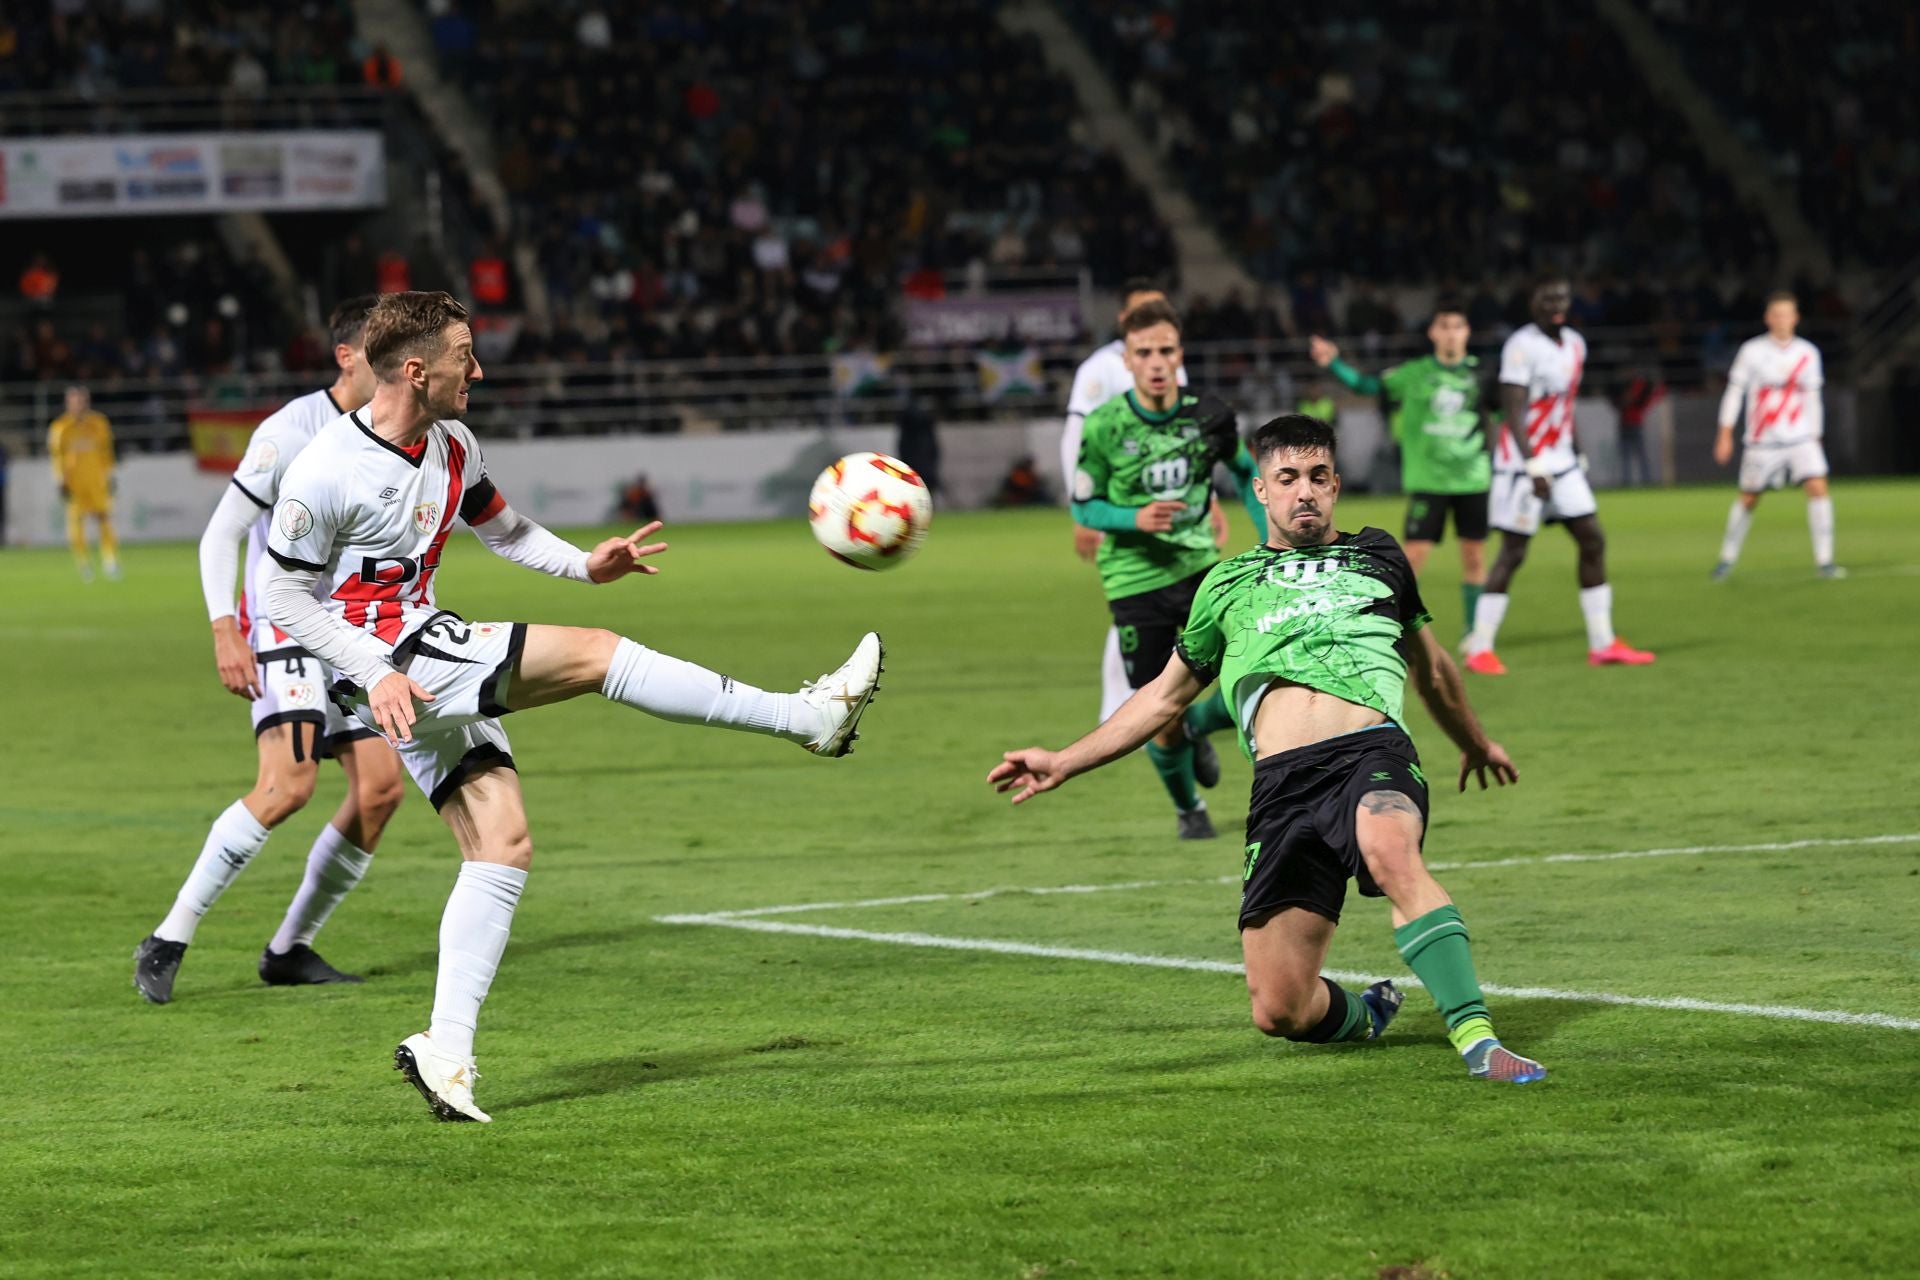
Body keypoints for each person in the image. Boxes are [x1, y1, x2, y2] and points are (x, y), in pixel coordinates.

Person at [258, 292, 882, 1122]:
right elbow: (281, 597)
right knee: (595, 655)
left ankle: (446, 1051)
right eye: (463, 357)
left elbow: (506, 532)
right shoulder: (325, 469)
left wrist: (587, 564)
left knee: (502, 844)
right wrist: (375, 671)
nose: (477, 370)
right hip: (381, 664)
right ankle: (805, 719)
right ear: (416, 370)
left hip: (421, 651)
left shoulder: (454, 445)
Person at [992, 414, 1545, 1084]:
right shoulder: (1225, 585)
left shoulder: (1379, 555)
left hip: (1369, 751)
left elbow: (1431, 672)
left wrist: (1476, 742)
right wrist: (1063, 759)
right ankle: (1367, 1015)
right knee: (1280, 1008)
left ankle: (1478, 1039)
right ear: (1262, 490)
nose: (1304, 491)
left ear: (1336, 484)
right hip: (1280, 785)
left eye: (1317, 477)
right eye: (1288, 478)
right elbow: (1163, 699)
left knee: (1388, 846)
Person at [131, 297, 407, 1004]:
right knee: (288, 785)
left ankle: (289, 949)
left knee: (378, 790)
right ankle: (170, 935)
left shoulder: (395, 431)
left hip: (350, 630)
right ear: (347, 357)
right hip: (285, 624)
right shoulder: (290, 432)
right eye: (382, 352)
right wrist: (227, 627)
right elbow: (222, 533)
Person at [1071, 300, 1239, 840]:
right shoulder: (1102, 427)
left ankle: (1199, 721)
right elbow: (1084, 507)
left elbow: (1244, 469)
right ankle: (1188, 806)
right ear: (1127, 360)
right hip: (1134, 581)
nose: (1157, 362)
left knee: (1251, 674)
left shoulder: (1209, 413)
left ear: (1179, 354)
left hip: (1199, 570)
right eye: (1145, 353)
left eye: (1166, 350)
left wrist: (1273, 536)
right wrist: (1133, 517)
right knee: (1154, 716)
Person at [1463, 277, 1654, 673]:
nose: (1555, 303)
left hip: (1562, 460)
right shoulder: (1522, 344)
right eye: (1546, 296)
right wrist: (1531, 463)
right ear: (1532, 302)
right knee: (1513, 552)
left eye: (1562, 297)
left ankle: (1602, 642)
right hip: (1522, 465)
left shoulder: (1576, 345)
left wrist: (1577, 450)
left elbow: (1563, 407)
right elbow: (1513, 410)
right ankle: (1480, 647)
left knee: (1592, 539)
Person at [1311, 297, 1494, 633]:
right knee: (1412, 560)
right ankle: (1390, 627)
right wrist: (1334, 363)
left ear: (1466, 332)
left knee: (1474, 558)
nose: (1451, 334)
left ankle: (1476, 634)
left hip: (1473, 478)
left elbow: (1499, 415)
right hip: (1430, 481)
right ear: (1433, 333)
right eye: (1445, 327)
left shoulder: (1481, 375)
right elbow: (1367, 386)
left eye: (1457, 327)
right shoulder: (1414, 373)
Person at [1060, 277, 1193, 724]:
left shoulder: (1173, 364)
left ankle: (1166, 714)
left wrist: (1206, 502)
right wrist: (1081, 510)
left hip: (1174, 511)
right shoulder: (1099, 369)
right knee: (1133, 602)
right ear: (1124, 320)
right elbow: (1076, 436)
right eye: (1144, 310)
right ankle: (1124, 712)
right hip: (1122, 513)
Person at [1711, 292, 1843, 580]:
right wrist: (1725, 433)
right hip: (1762, 441)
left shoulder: (1807, 353)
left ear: (1796, 318)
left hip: (1801, 438)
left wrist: (1816, 435)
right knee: (1748, 498)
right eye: (1777, 314)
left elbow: (1812, 398)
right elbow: (1734, 392)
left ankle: (1825, 560)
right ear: (1768, 318)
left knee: (1818, 488)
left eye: (1787, 314)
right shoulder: (1752, 351)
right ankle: (1726, 558)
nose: (1782, 320)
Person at [47, 385, 119, 581]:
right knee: (77, 523)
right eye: (75, 400)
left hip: (96, 480)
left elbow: (106, 451)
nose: (79, 404)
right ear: (68, 403)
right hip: (74, 483)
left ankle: (110, 560)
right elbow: (57, 457)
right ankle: (83, 563)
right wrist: (60, 479)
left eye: (82, 400)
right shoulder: (60, 427)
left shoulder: (99, 423)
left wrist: (110, 474)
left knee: (104, 519)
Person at [1613, 366, 1663, 488]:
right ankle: (1627, 482)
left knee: (1640, 455)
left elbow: (1631, 400)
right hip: (1625, 424)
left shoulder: (1639, 385)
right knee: (1627, 456)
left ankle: (1646, 481)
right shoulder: (1626, 386)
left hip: (1635, 424)